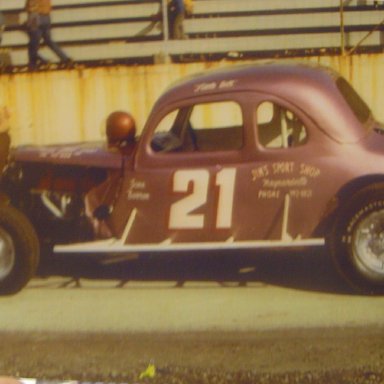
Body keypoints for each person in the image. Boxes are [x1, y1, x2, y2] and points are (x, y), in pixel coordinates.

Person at [24, 0, 71, 69]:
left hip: (35, 17)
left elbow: (32, 6)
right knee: (48, 40)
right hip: (46, 16)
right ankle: (65, 59)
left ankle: (33, 64)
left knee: (34, 43)